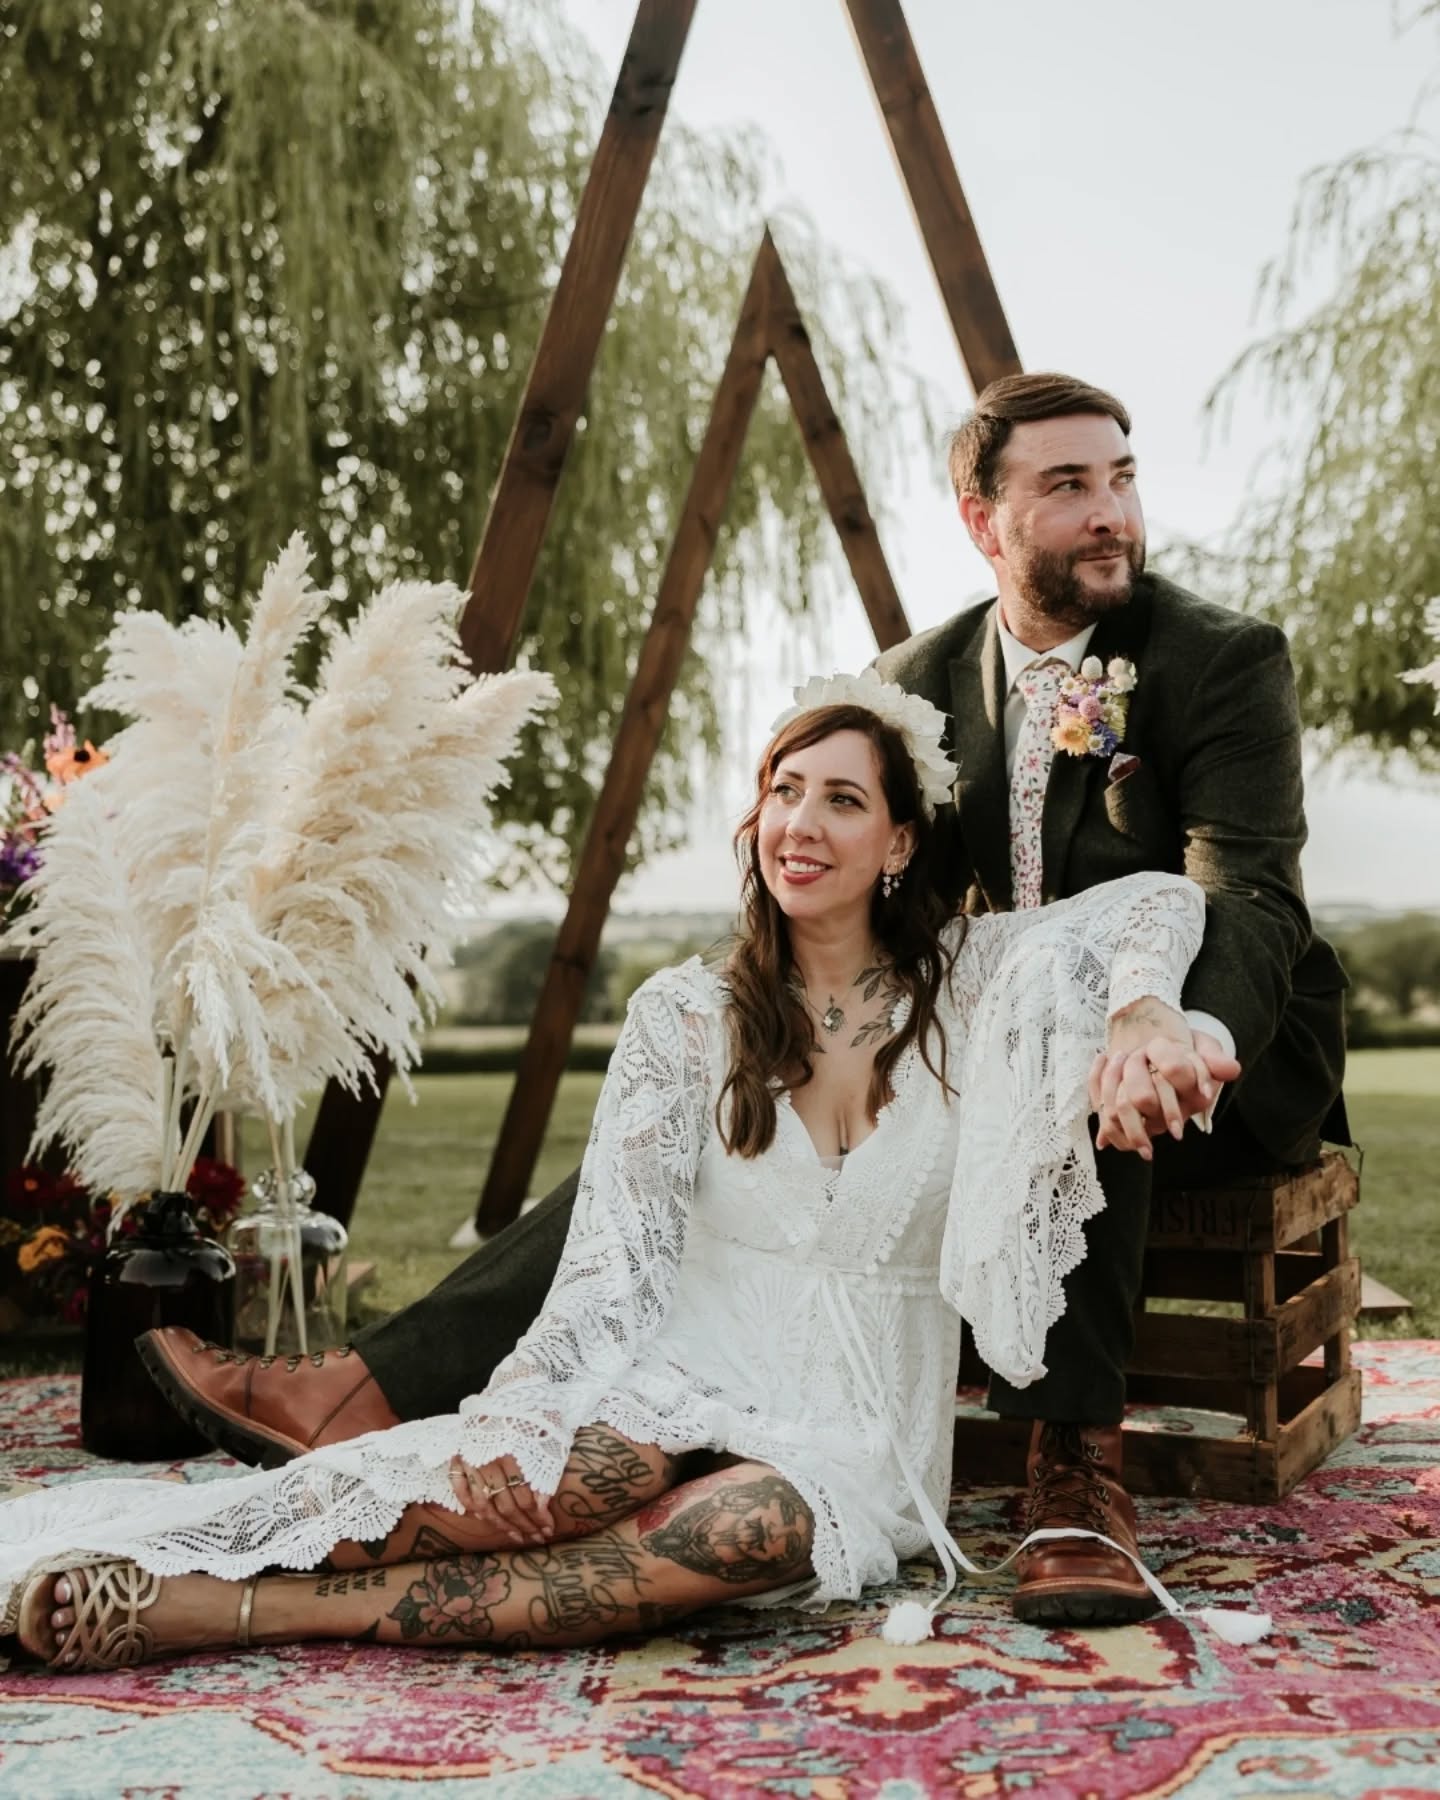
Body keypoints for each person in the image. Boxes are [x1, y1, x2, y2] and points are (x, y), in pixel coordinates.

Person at [138, 373, 1348, 1630]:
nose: (1111, 514)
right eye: (1067, 487)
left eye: (1121, 478)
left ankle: (1072, 1465)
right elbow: (881, 907)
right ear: (983, 519)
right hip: (981, 1024)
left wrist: (1170, 1023)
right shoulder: (916, 680)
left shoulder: (1219, 658)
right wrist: (746, 1026)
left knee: (1070, 1049)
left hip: (1219, 1045)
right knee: (695, 1108)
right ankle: (375, 1388)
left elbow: (1248, 895)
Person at [4, 680, 1221, 1670]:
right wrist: (528, 1410)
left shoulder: (974, 984)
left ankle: (225, 1612)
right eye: (782, 793)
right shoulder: (686, 1015)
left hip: (853, 1432)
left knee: (735, 1534)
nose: (801, 824)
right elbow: (610, 1267)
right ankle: (177, 1566)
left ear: (900, 840)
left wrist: (1141, 1016)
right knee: (552, 1482)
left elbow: (1157, 902)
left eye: (843, 800)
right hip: (685, 1368)